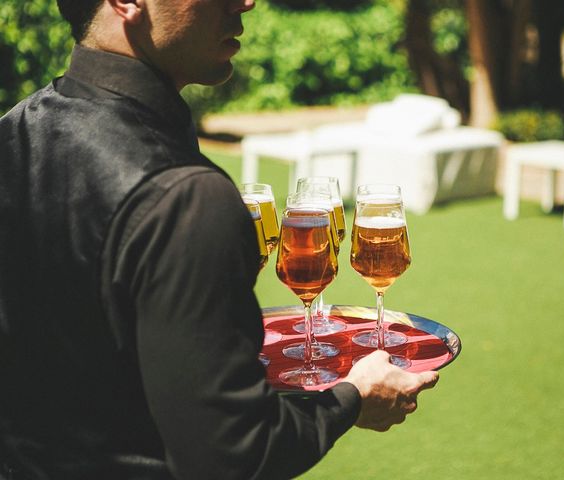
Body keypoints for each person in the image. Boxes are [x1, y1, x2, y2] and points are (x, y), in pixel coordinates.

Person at [0, 1, 439, 479]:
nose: (246, 1)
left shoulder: (14, 130)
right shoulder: (186, 195)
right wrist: (353, 397)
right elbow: (236, 455)